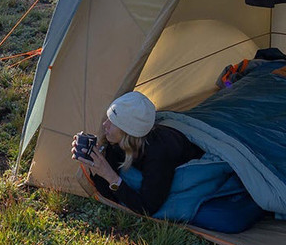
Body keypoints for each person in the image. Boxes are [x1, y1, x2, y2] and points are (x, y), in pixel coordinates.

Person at [72, 91, 202, 216]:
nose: (105, 124)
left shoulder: (158, 154)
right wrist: (95, 164)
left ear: (127, 132)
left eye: (113, 122)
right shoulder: (117, 143)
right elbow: (110, 196)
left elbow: (147, 208)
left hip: (189, 155)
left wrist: (110, 175)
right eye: (107, 118)